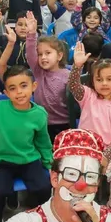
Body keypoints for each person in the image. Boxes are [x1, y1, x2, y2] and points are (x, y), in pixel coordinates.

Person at [0, 65, 53, 222]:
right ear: (6, 93)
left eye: (24, 86)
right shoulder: (0, 108)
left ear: (33, 86)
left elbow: (43, 142)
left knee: (44, 187)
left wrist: (49, 164)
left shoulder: (39, 114)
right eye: (13, 88)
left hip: (29, 160)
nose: (19, 92)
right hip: (2, 161)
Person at [70, 43, 111, 208]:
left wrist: (106, 156)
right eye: (99, 79)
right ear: (93, 81)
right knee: (77, 177)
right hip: (85, 150)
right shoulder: (88, 95)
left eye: (109, 79)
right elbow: (73, 86)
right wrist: (77, 66)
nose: (104, 83)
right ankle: (80, 206)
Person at [23, 13, 72, 142]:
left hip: (64, 124)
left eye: (48, 53)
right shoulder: (39, 72)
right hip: (42, 123)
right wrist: (31, 34)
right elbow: (30, 54)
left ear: (59, 56)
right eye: (40, 54)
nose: (43, 57)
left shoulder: (67, 75)